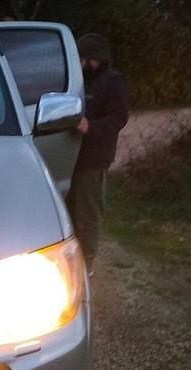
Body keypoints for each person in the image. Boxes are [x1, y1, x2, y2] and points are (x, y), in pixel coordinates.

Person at [67, 33, 129, 270]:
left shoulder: (114, 81)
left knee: (87, 215)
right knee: (70, 212)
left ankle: (87, 267)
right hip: (73, 156)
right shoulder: (83, 81)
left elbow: (119, 118)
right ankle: (73, 264)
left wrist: (90, 126)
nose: (81, 64)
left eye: (83, 59)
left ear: (95, 58)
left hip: (93, 159)